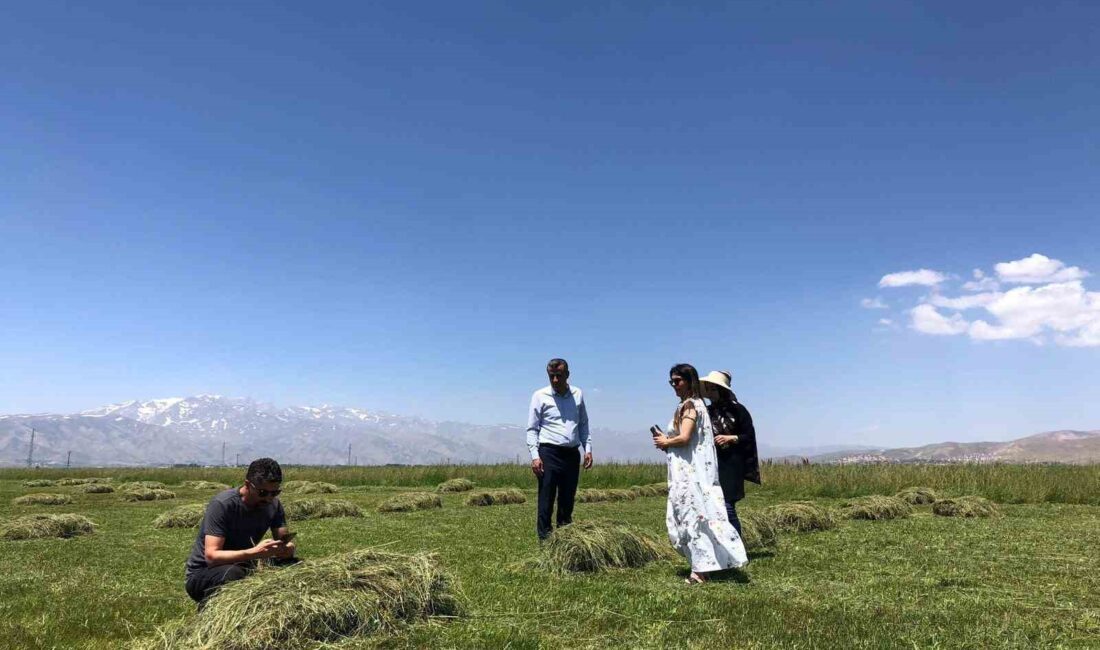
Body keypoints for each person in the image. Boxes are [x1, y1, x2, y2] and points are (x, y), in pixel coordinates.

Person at [652, 363, 747, 584]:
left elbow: (685, 437)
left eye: (677, 381)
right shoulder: (696, 405)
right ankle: (706, 564)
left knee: (691, 515)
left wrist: (667, 440)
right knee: (697, 515)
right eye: (671, 382)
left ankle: (700, 570)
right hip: (689, 469)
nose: (673, 385)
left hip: (689, 474)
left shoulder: (690, 406)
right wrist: (668, 444)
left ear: (689, 381)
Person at [184, 458, 298, 604]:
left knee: (295, 566)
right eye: (263, 492)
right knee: (234, 574)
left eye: (275, 492)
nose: (269, 498)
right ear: (247, 485)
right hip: (205, 573)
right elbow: (212, 557)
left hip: (245, 564)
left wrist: (288, 549)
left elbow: (283, 540)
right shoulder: (223, 505)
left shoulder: (273, 505)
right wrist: (256, 553)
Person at [526, 358, 593, 540]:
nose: (555, 380)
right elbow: (532, 429)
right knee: (546, 499)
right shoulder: (539, 396)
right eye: (552, 376)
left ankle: (565, 541)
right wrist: (535, 456)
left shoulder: (578, 394)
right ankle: (545, 542)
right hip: (548, 453)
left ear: (567, 375)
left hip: (571, 454)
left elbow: (583, 424)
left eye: (559, 376)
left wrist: (587, 449)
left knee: (567, 500)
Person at [700, 370, 761, 539]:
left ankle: (737, 545)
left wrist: (731, 438)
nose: (710, 393)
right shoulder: (706, 412)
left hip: (732, 464)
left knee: (727, 506)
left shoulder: (738, 410)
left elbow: (749, 435)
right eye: (708, 389)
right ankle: (723, 546)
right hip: (712, 463)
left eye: (713, 389)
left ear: (722, 390)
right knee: (714, 507)